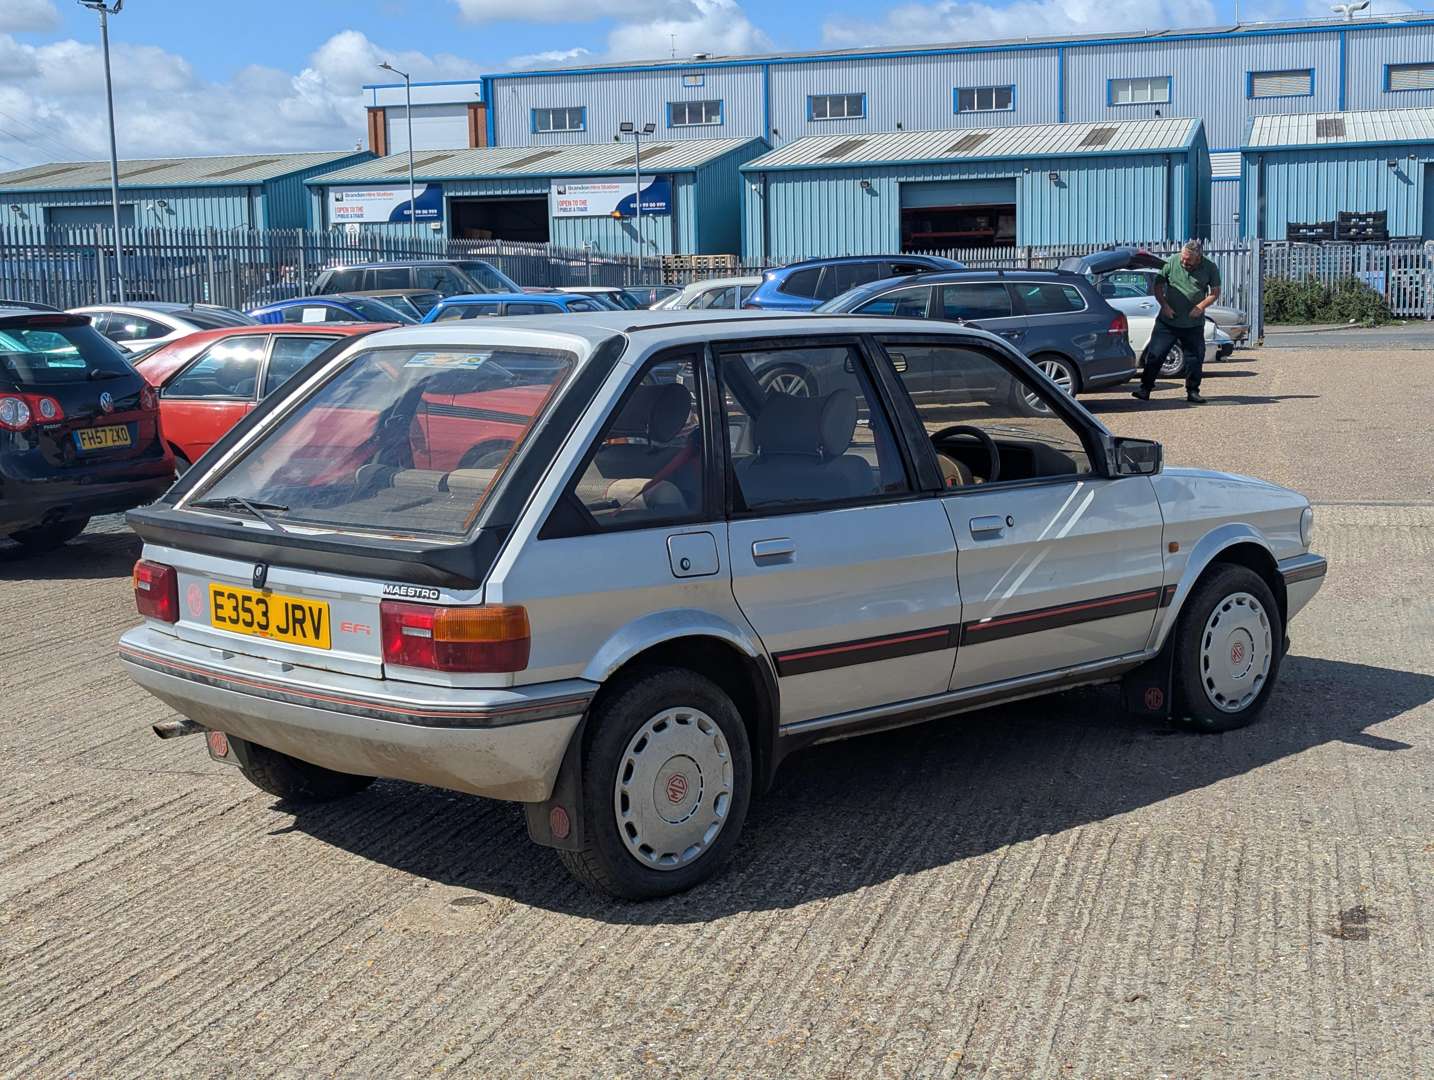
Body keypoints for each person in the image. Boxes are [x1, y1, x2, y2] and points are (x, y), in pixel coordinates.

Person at [1132, 240, 1221, 405]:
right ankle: (1145, 389)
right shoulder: (1173, 261)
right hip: (1167, 321)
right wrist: (1164, 305)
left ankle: (1193, 391)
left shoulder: (1210, 267)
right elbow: (1157, 285)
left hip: (1193, 323)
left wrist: (1200, 307)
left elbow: (1215, 292)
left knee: (1194, 358)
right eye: (1183, 258)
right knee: (1155, 355)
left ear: (1198, 257)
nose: (1184, 262)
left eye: (1188, 260)